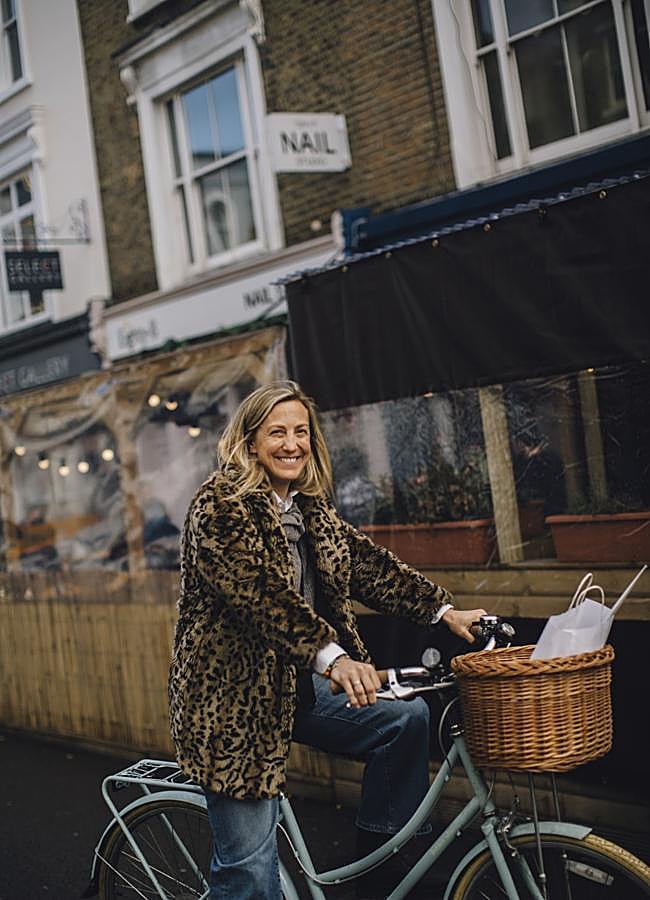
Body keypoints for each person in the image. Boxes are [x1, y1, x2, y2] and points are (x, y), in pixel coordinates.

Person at [168, 381, 486, 899]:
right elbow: (259, 595)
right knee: (249, 873)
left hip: (298, 693)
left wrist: (445, 611)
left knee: (405, 719)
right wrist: (332, 657)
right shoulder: (219, 506)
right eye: (277, 433)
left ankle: (378, 866)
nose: (292, 444)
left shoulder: (309, 509)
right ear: (250, 443)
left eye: (301, 432)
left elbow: (367, 565)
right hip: (232, 706)